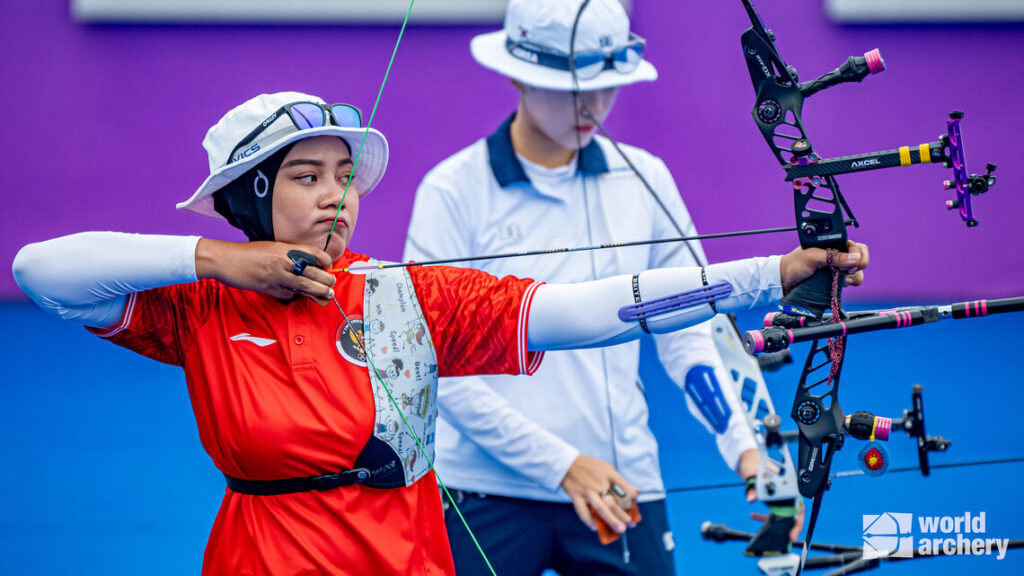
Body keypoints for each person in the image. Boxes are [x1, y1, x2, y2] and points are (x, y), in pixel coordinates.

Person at [12, 91, 866, 576]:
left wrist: (771, 274)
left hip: (407, 561)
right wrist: (215, 261)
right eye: (306, 178)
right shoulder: (196, 308)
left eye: (344, 178)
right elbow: (40, 270)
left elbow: (586, 309)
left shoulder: (398, 297)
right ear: (247, 199)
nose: (336, 199)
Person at [404, 1, 812, 574]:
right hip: (483, 486)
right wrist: (562, 464)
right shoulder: (451, 190)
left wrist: (749, 452)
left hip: (622, 482)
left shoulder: (646, 178)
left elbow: (694, 328)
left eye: (607, 86)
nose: (593, 106)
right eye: (571, 89)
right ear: (519, 74)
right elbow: (429, 363)